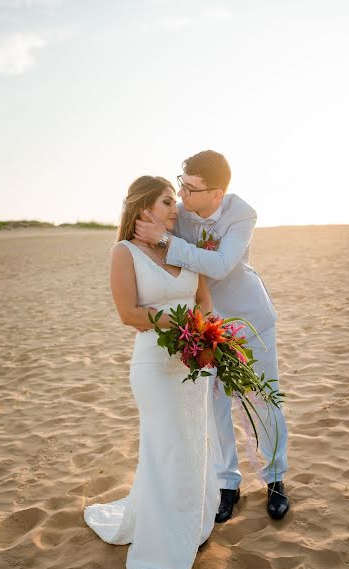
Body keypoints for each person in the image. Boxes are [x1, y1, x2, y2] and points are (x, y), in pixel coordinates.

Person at [134, 150, 290, 522]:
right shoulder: (180, 213)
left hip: (251, 318)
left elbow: (220, 265)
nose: (183, 196)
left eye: (191, 189)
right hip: (203, 321)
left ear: (217, 194)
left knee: (264, 397)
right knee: (214, 402)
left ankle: (275, 479)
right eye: (182, 184)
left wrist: (167, 242)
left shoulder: (242, 214)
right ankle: (227, 484)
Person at [84, 175, 220, 569]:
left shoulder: (184, 250)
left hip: (192, 364)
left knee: (195, 442)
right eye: (166, 201)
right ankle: (162, 547)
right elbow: (129, 313)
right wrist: (182, 327)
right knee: (166, 449)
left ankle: (191, 523)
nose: (175, 208)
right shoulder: (123, 252)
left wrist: (200, 334)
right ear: (144, 209)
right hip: (154, 368)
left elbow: (205, 302)